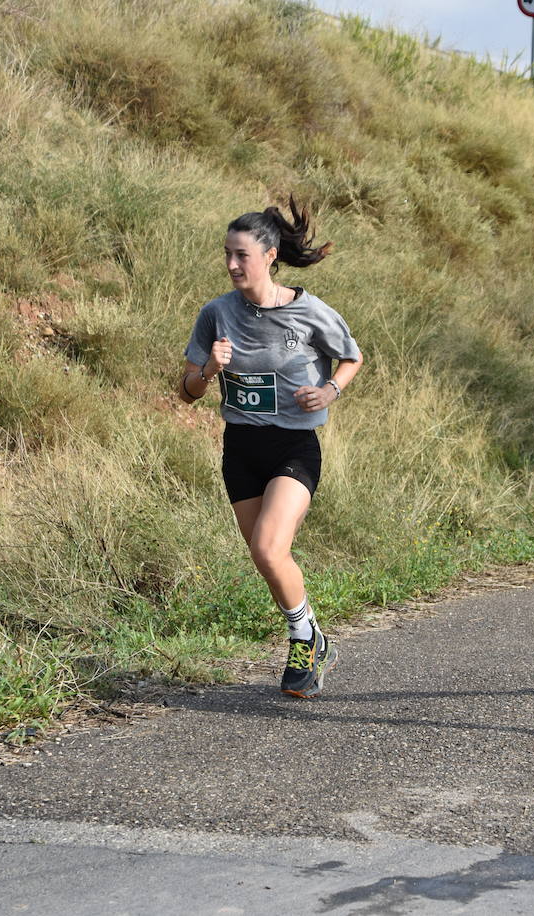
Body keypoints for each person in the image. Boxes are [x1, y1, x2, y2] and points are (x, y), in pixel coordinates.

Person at [178, 198, 362, 698]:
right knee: (265, 557)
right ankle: (312, 632)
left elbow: (351, 356)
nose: (233, 264)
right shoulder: (216, 313)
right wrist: (210, 371)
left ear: (270, 255)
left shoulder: (309, 310)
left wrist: (329, 391)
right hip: (240, 447)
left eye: (242, 255)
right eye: (227, 255)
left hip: (293, 446)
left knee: (267, 545)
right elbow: (187, 389)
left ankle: (304, 638)